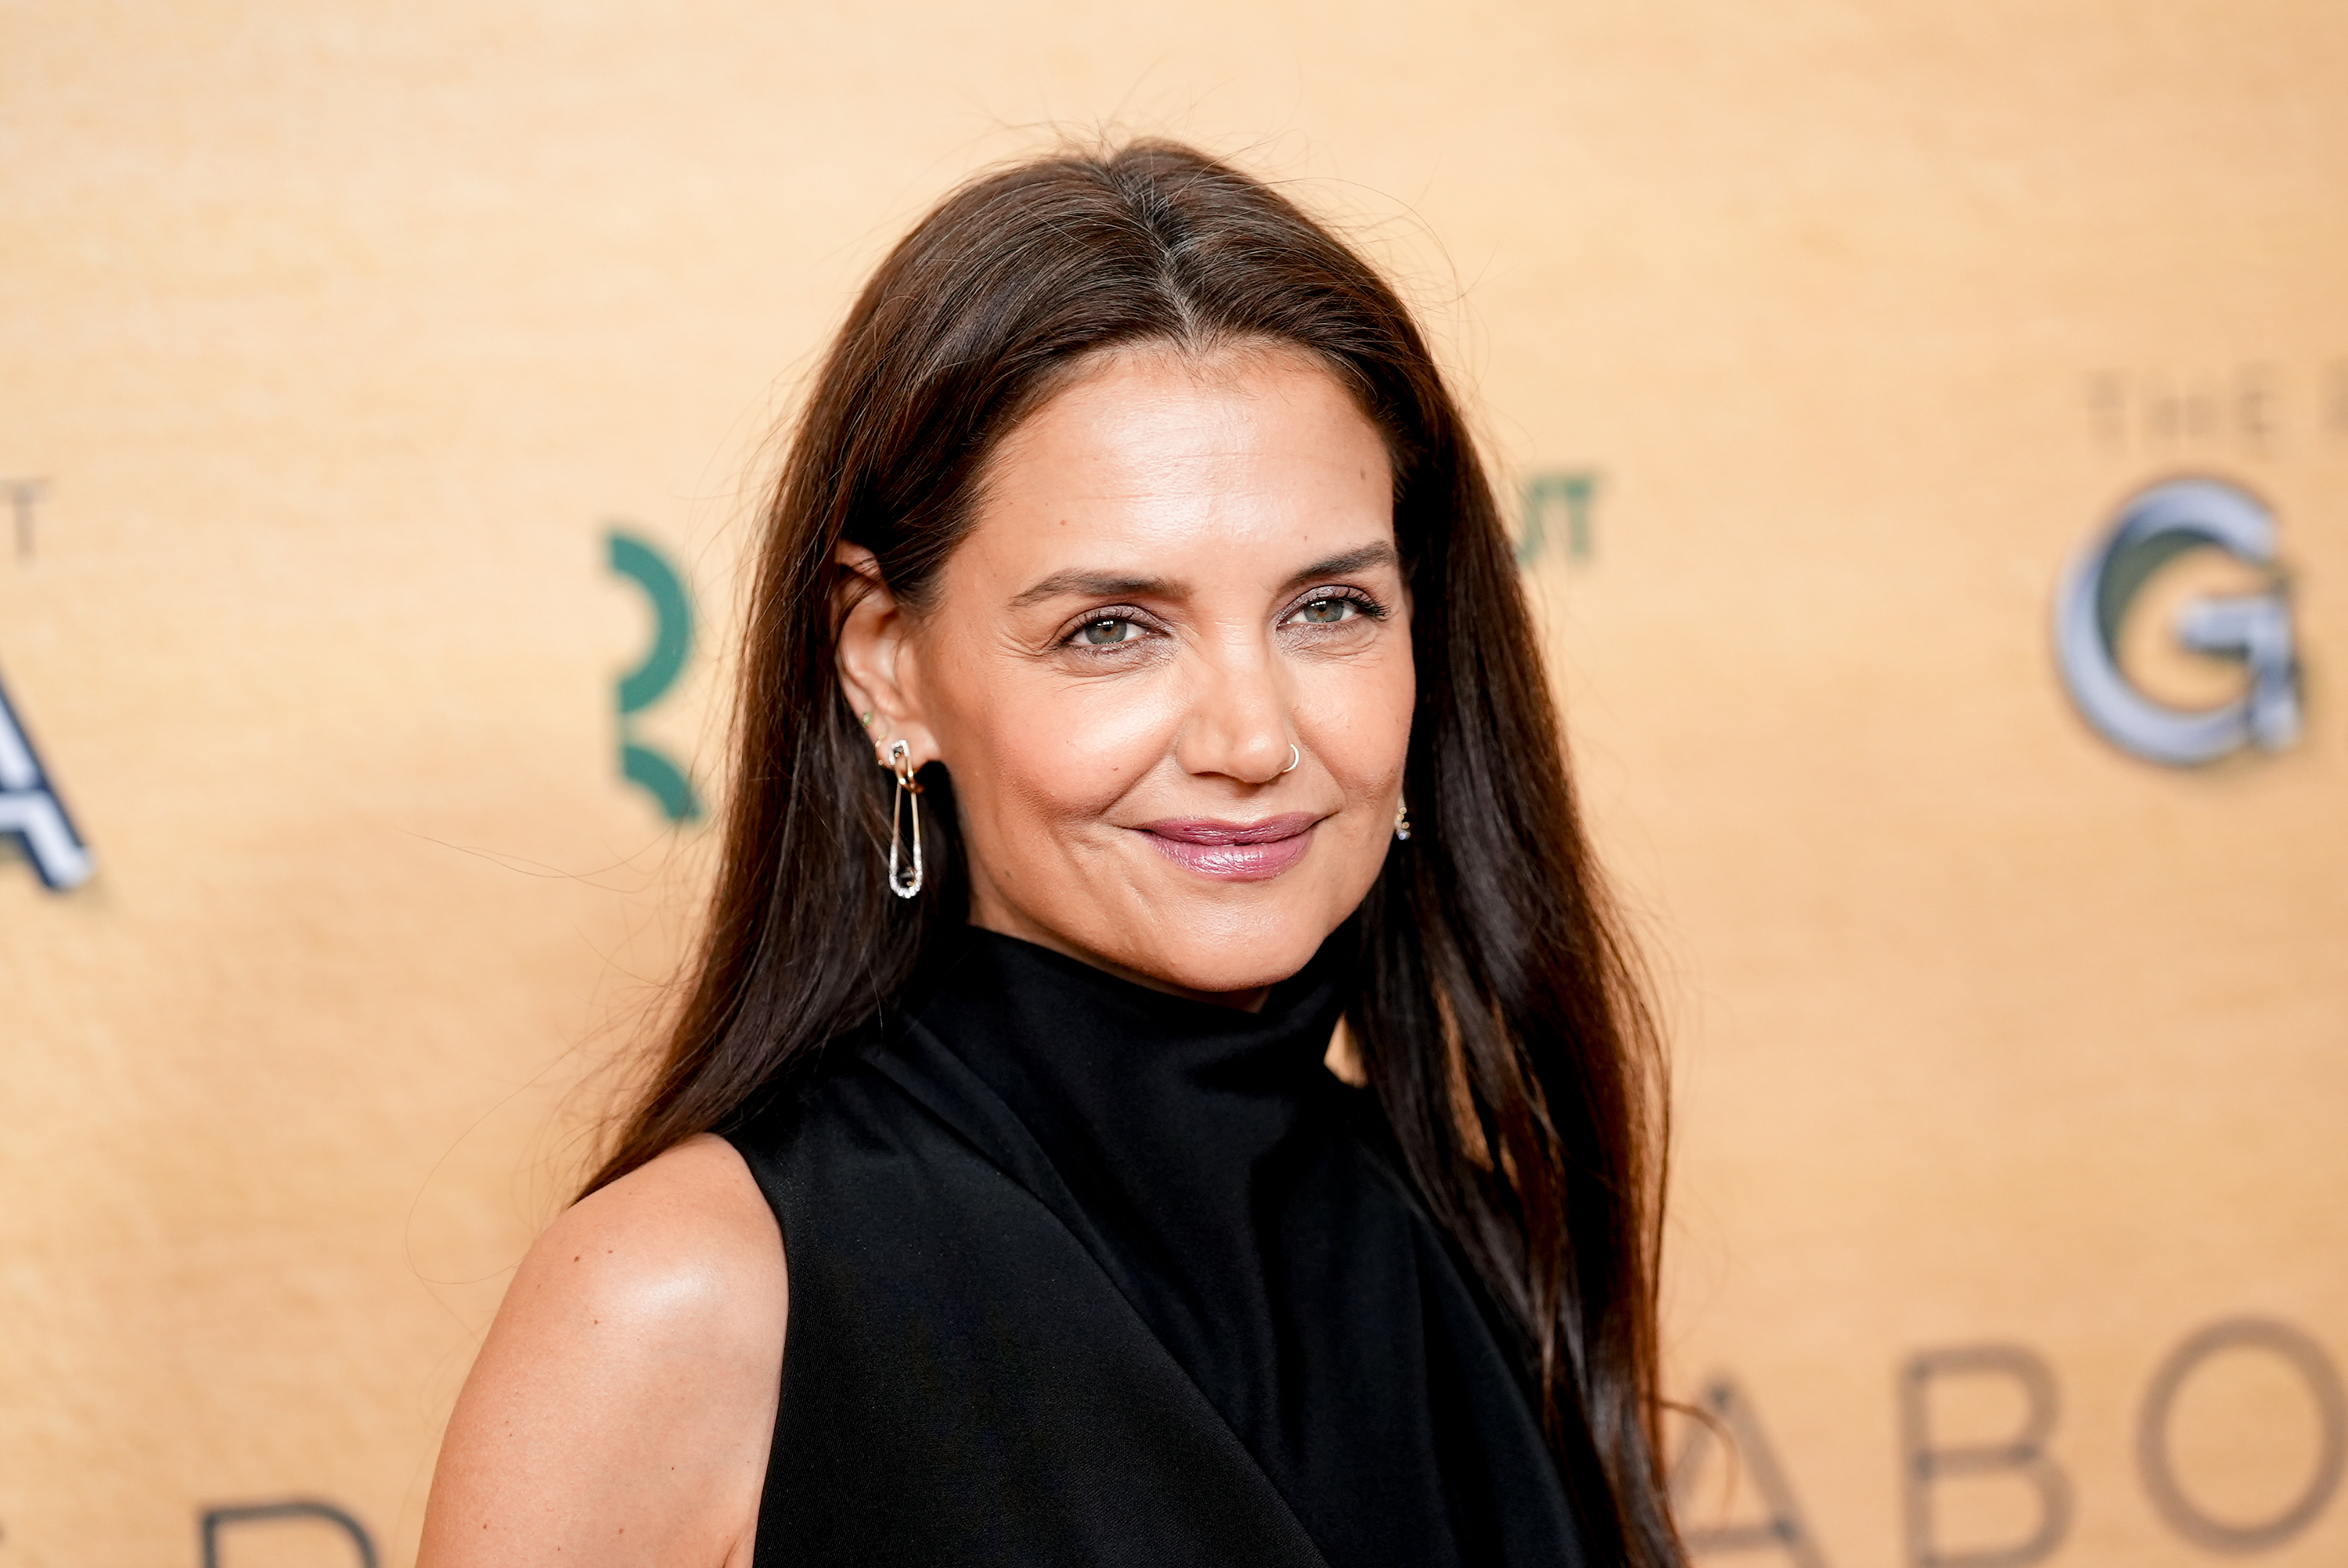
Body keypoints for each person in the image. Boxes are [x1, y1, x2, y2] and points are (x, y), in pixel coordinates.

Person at [420, 140, 1680, 1568]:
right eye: (1112, 629)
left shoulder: (1480, 1235)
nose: (1254, 737)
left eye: (1328, 608)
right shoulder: (687, 1301)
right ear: (888, 666)